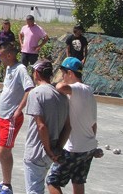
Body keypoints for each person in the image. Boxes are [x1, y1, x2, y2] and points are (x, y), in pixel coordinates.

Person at [47, 57, 103, 194]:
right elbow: (93, 124)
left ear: (70, 73)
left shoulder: (78, 88)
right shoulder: (88, 91)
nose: (62, 77)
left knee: (52, 181)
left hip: (74, 148)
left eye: (63, 74)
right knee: (78, 181)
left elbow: (60, 87)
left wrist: (56, 83)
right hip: (87, 147)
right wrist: (92, 144)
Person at [0, 42, 35, 194]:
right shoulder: (8, 67)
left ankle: (7, 187)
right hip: (1, 115)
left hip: (11, 118)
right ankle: (4, 182)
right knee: (4, 152)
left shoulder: (20, 69)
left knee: (2, 152)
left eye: (0, 55)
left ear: (9, 55)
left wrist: (18, 110)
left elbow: (29, 89)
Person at [23, 61, 70, 194]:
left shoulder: (36, 93)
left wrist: (48, 150)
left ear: (37, 73)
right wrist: (58, 149)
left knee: (34, 191)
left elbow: (41, 126)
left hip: (37, 151)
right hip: (53, 153)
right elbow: (68, 126)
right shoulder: (62, 96)